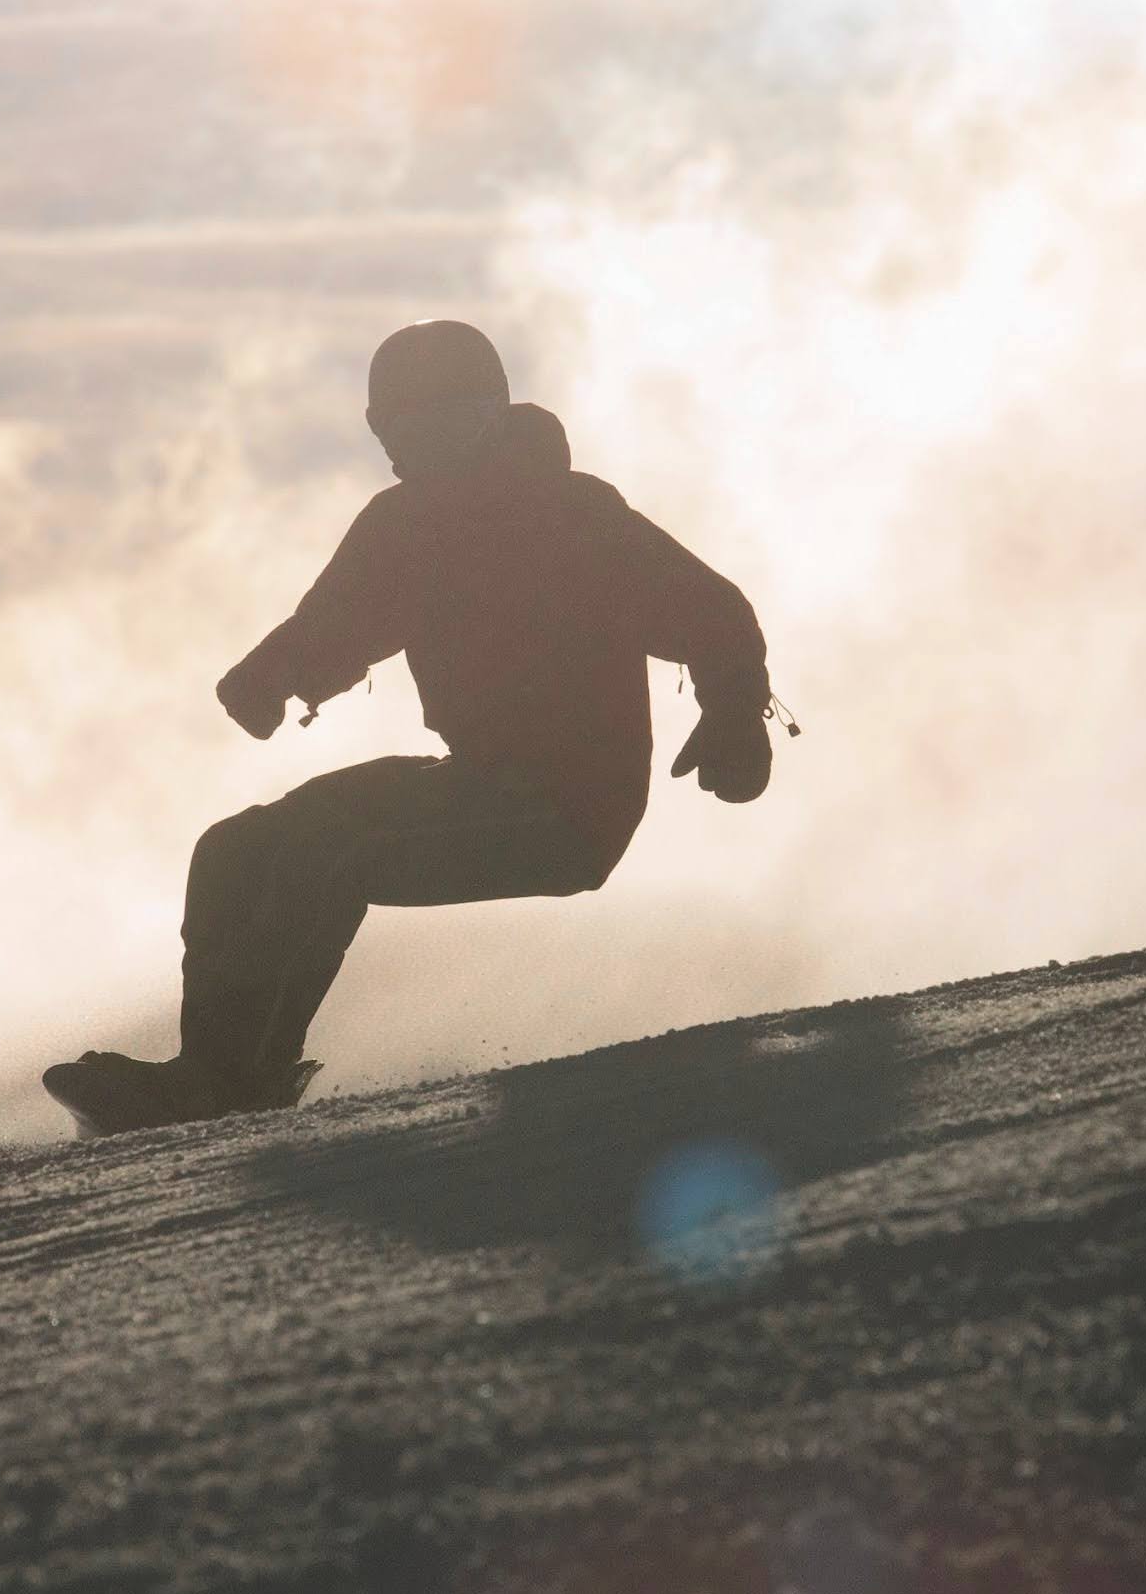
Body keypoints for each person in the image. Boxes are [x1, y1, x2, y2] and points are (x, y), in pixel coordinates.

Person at [46, 320, 774, 1133]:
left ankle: (231, 1078)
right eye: (403, 429)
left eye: (449, 425)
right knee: (236, 849)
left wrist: (735, 709)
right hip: (478, 780)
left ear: (492, 418)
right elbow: (342, 619)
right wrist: (277, 672)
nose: (425, 449)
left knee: (334, 849)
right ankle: (214, 1070)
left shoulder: (571, 518)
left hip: (570, 804)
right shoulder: (405, 527)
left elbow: (709, 609)